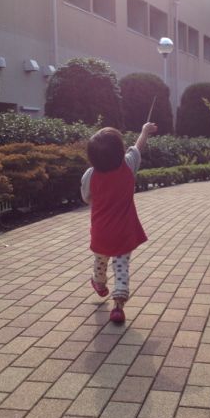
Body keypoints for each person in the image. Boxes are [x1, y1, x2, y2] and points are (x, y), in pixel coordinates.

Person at [81, 122, 157, 323]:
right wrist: (144, 131)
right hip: (124, 231)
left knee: (100, 261)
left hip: (101, 231)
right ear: (120, 151)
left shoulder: (90, 175)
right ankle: (118, 306)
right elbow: (137, 148)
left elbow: (86, 197)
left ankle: (99, 284)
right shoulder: (128, 165)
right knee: (121, 267)